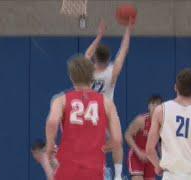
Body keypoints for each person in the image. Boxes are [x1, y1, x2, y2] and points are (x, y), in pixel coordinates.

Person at [45, 55, 122, 180]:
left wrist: (50, 147)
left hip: (66, 166)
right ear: (92, 76)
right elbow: (117, 140)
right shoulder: (107, 103)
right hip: (94, 168)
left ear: (71, 77)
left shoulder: (61, 100)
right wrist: (104, 147)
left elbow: (52, 122)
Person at [85, 19, 133, 179]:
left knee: (92, 146)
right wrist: (128, 29)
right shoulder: (113, 71)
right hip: (107, 110)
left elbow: (87, 53)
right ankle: (118, 175)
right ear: (108, 58)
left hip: (91, 111)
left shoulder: (88, 71)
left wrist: (99, 35)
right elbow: (124, 50)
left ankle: (97, 171)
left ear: (94, 58)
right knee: (117, 142)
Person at [146, 68, 191, 179]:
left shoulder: (161, 110)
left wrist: (157, 167)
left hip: (170, 174)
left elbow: (149, 149)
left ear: (175, 87)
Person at [125, 95, 163, 180]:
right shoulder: (141, 120)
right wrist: (138, 152)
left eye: (157, 105)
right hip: (136, 157)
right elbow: (127, 135)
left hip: (150, 158)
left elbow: (160, 143)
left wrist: (161, 160)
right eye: (152, 105)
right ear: (148, 106)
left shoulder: (161, 124)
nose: (154, 107)